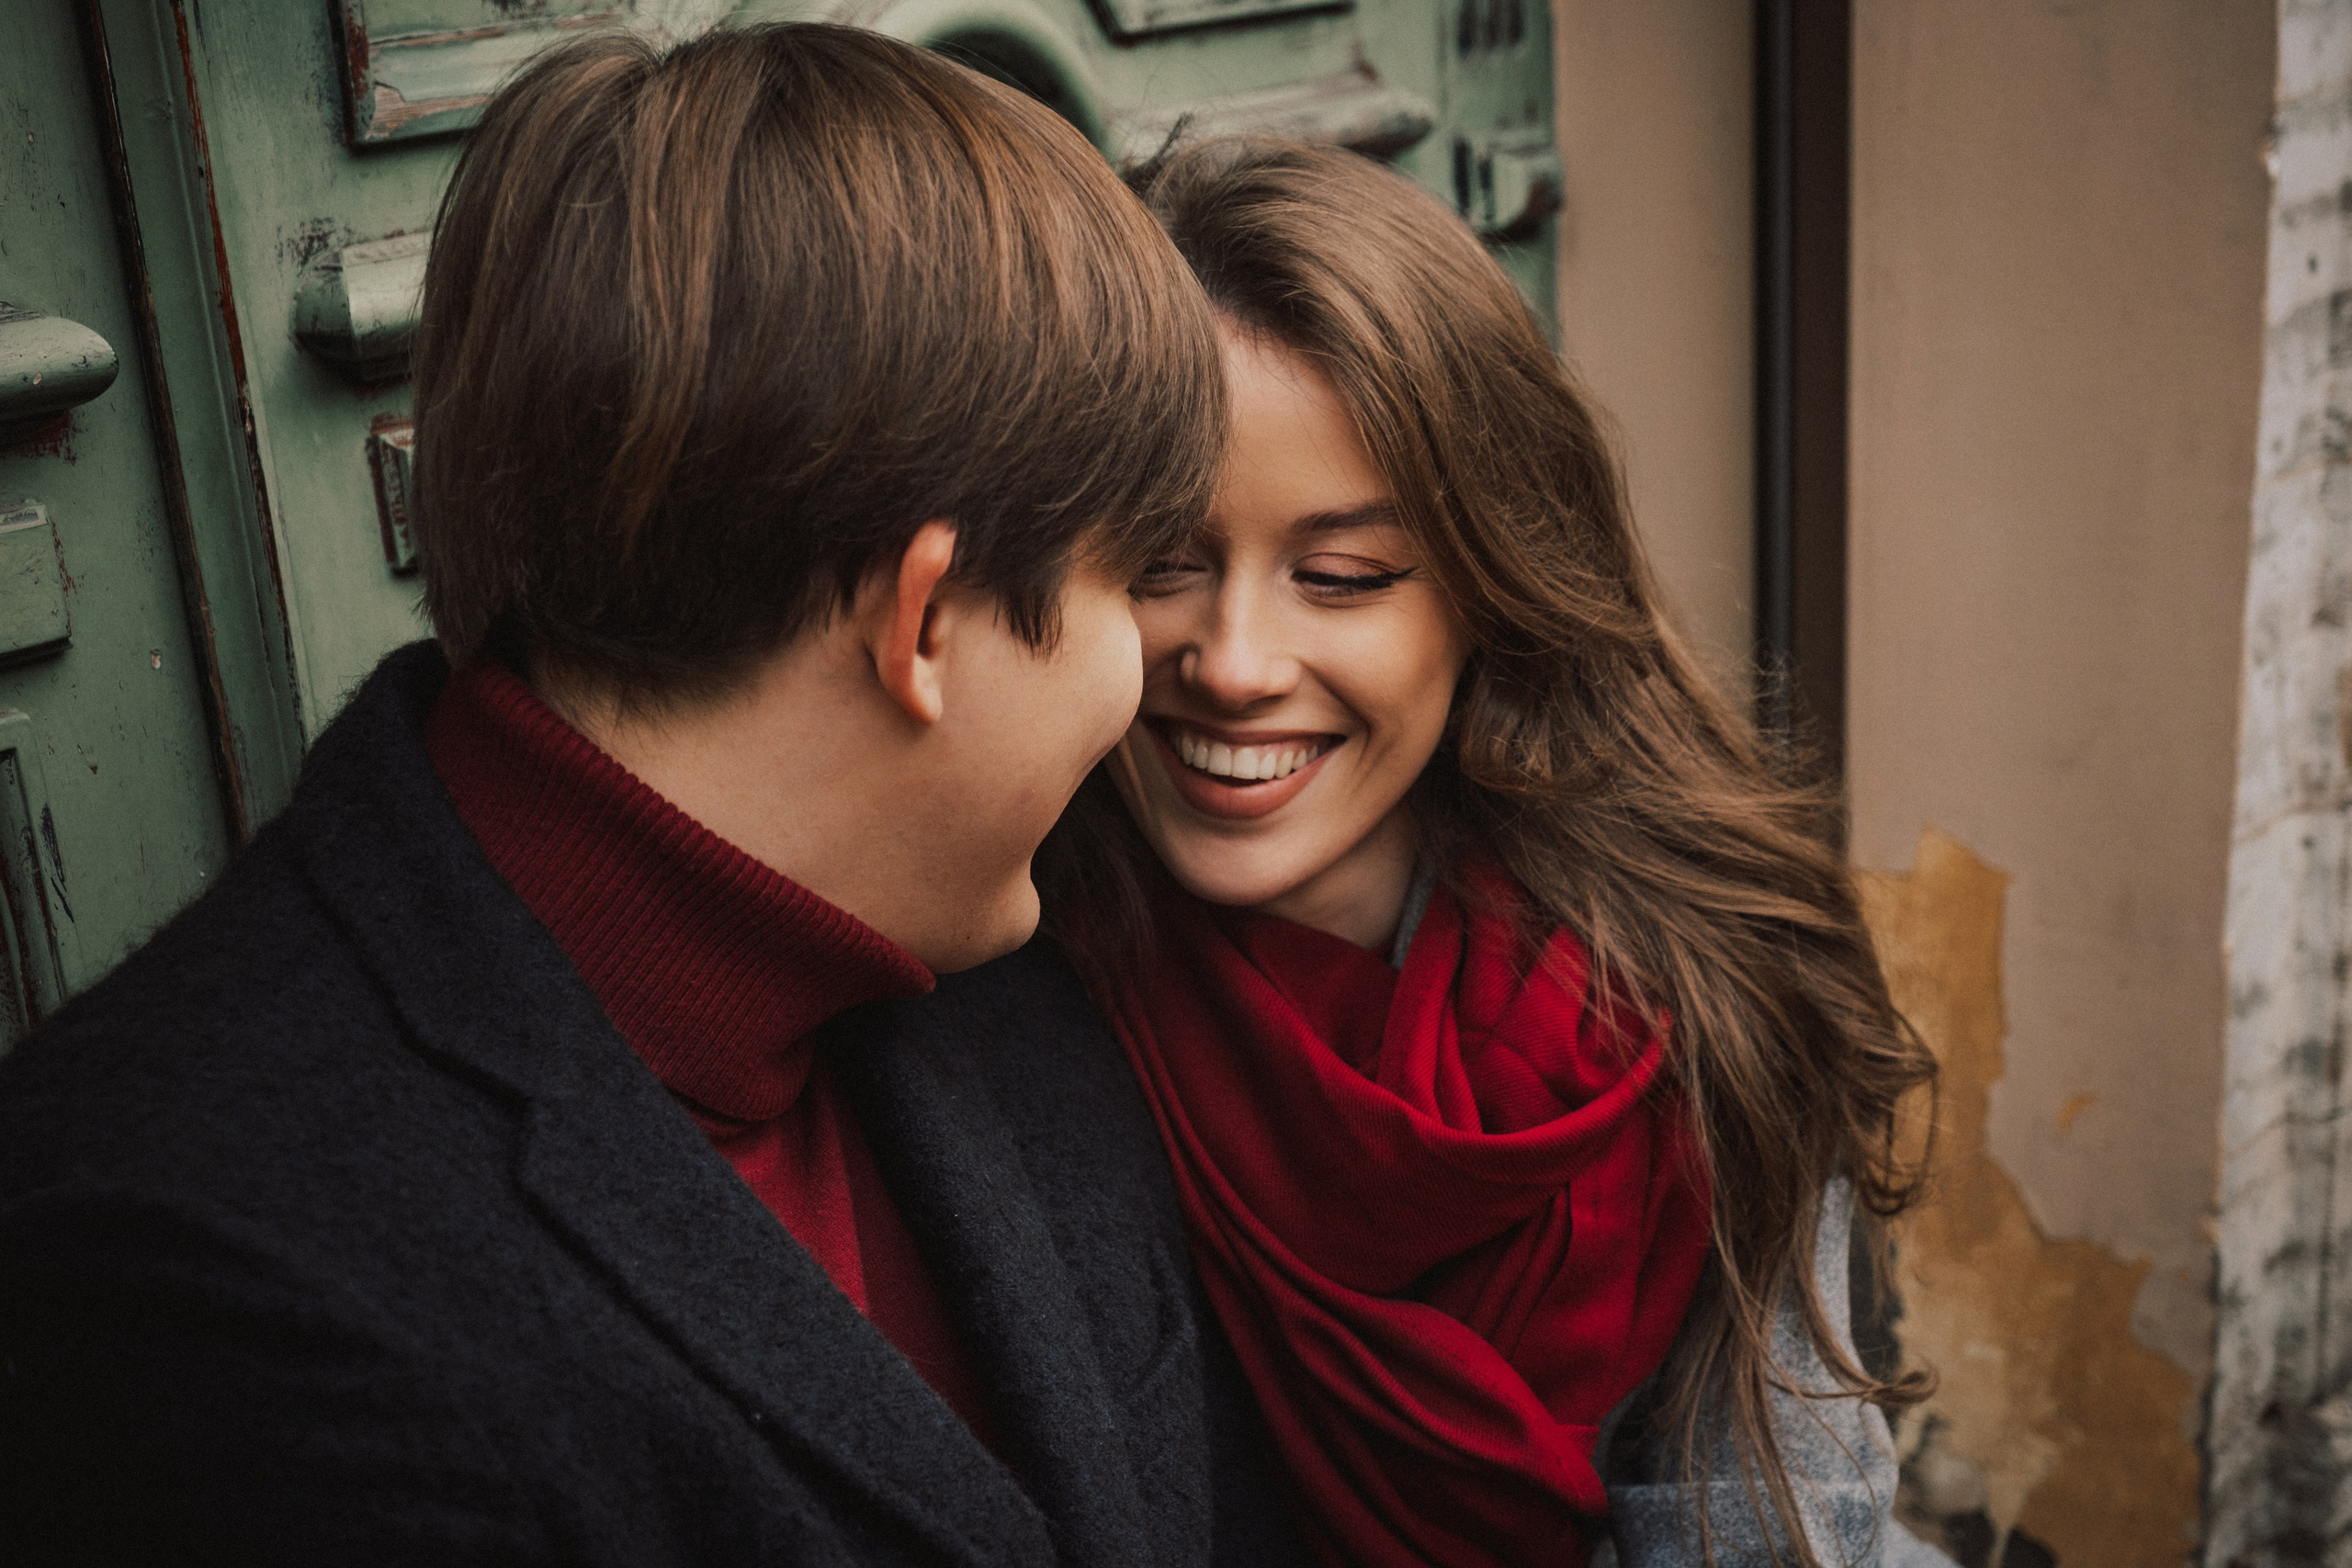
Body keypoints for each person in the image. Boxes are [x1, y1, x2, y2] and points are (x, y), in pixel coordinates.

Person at [0, 29, 1300, 1567]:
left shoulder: (996, 973)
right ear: (926, 623)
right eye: (1127, 581)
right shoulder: (187, 1278)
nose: (1163, 673)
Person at [1034, 137, 1955, 1567]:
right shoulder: (1002, 968)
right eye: (1162, 560)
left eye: (1341, 577)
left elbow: (1770, 1528)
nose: (1233, 662)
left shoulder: (1700, 970)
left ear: (1489, 585)